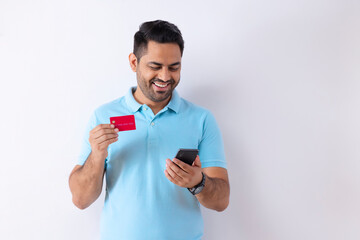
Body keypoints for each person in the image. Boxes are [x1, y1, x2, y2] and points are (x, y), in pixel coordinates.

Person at [69, 20, 230, 240]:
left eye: (174, 67)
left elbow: (221, 201)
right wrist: (97, 155)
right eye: (155, 66)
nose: (165, 77)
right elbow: (80, 199)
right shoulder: (103, 116)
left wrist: (198, 182)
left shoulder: (201, 119)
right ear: (134, 62)